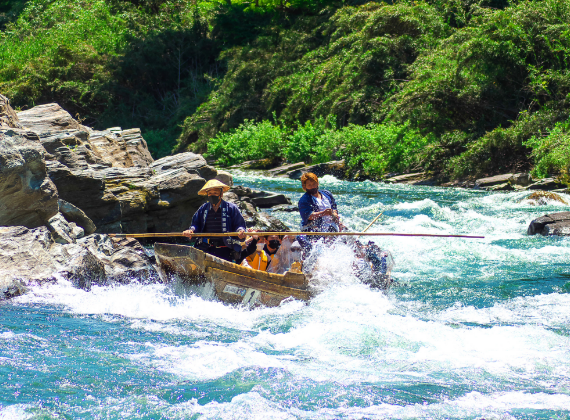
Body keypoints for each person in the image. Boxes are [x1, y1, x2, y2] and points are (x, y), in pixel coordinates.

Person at [183, 179, 246, 262]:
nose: (212, 195)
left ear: (221, 194)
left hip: (226, 249)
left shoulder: (231, 208)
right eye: (210, 193)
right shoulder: (203, 209)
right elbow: (196, 224)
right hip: (206, 248)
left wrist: (240, 231)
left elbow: (239, 224)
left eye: (215, 193)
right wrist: (191, 230)